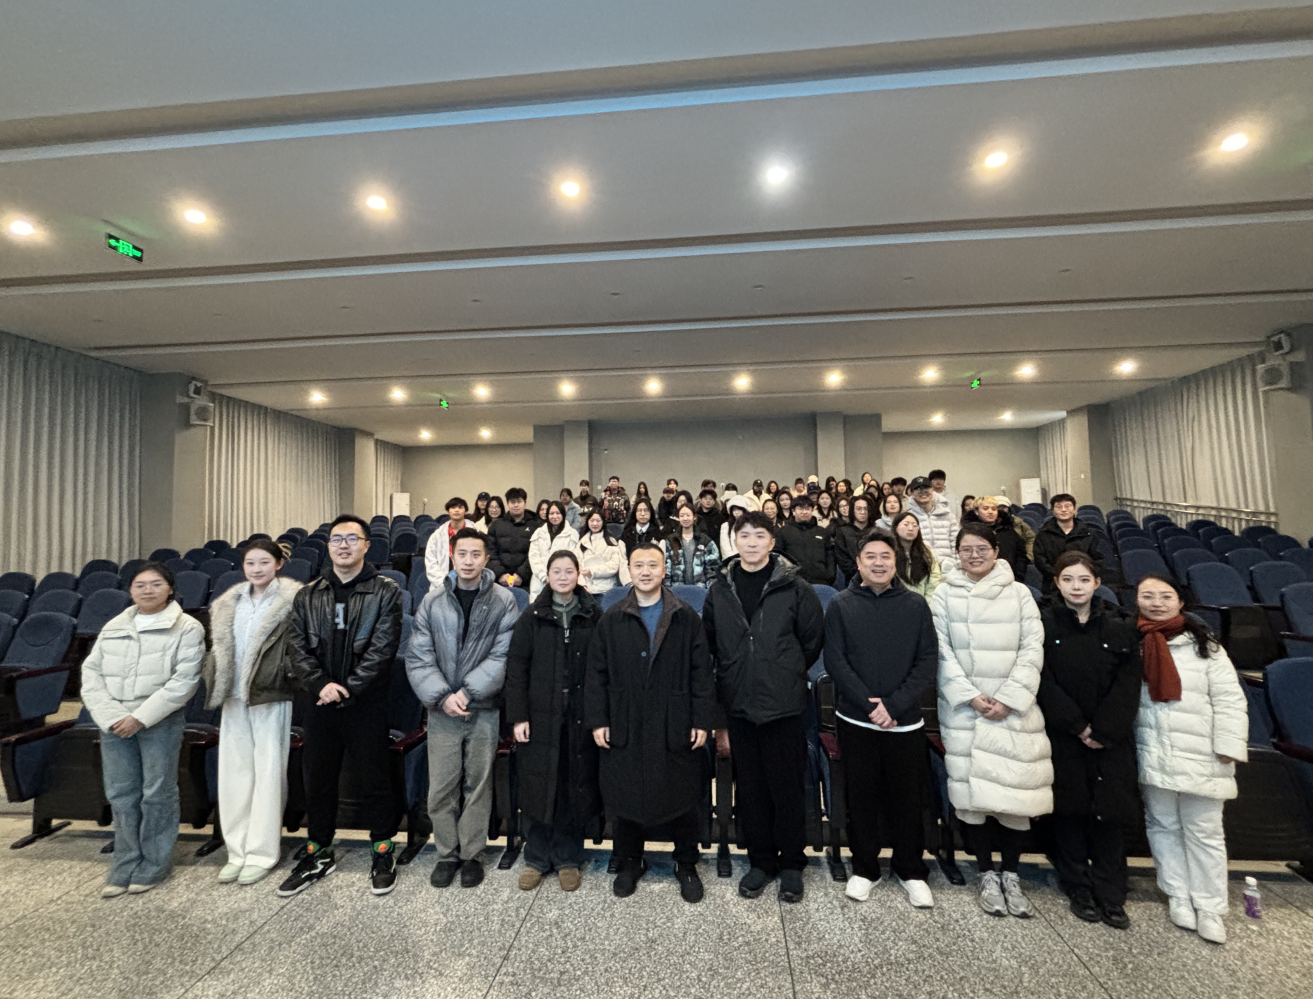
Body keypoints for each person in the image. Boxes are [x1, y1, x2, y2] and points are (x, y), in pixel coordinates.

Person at [281, 514, 405, 897]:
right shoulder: (308, 594)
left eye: (352, 538)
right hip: (318, 700)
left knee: (374, 779)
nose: (344, 545)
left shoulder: (386, 591)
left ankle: (382, 850)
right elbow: (296, 646)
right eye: (337, 539)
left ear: (367, 545)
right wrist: (322, 685)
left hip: (366, 701)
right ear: (329, 546)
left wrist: (347, 688)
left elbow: (382, 649)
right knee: (318, 780)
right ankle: (319, 851)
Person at [931, 523, 1051, 918]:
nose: (974, 555)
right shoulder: (944, 594)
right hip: (967, 707)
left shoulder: (1019, 593)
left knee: (1015, 795)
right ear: (957, 553)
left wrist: (1010, 698)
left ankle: (1011, 874)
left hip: (1013, 707)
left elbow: (1033, 648)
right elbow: (940, 650)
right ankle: (985, 872)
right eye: (966, 549)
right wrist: (970, 695)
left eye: (982, 548)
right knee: (972, 799)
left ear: (996, 551)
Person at [703, 511, 823, 902]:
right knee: (751, 789)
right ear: (734, 541)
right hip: (738, 703)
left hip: (783, 704)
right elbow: (711, 646)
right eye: (745, 535)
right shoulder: (720, 589)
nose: (752, 542)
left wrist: (783, 671)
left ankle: (791, 865)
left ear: (772, 542)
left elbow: (811, 641)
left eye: (759, 535)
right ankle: (761, 862)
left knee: (787, 788)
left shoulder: (796, 587)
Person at [585, 543, 714, 903]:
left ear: (664, 570)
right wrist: (598, 720)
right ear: (629, 570)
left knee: (682, 791)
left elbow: (702, 673)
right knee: (626, 790)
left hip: (675, 717)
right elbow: (596, 673)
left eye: (652, 565)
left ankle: (686, 863)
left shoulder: (685, 616)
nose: (645, 571)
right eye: (639, 565)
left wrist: (702, 718)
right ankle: (630, 861)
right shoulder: (612, 617)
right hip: (625, 717)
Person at [824, 529, 938, 907]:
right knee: (861, 798)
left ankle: (910, 869)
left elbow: (926, 661)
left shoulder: (915, 605)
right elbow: (835, 660)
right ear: (858, 563)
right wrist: (870, 705)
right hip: (857, 720)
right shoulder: (840, 604)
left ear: (896, 562)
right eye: (870, 556)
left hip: (904, 722)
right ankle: (865, 868)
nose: (878, 562)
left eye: (885, 556)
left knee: (907, 799)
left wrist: (894, 705)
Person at [1134, 573, 1248, 945]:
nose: (1156, 603)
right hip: (1153, 745)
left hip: (1202, 750)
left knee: (1205, 831)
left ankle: (1211, 906)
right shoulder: (1133, 642)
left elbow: (1230, 699)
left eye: (1165, 596)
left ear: (1180, 601)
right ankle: (1177, 894)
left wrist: (1229, 743)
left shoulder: (1204, 644)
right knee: (1163, 824)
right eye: (1148, 596)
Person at [81, 562, 205, 897]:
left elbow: (184, 681)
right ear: (130, 590)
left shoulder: (187, 627)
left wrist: (140, 717)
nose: (147, 590)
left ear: (170, 589)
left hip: (158, 720)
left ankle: (155, 863)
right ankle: (124, 863)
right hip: (114, 721)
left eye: (155, 584)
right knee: (121, 794)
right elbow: (91, 674)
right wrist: (111, 716)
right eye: (140, 585)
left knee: (157, 793)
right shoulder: (114, 626)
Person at [407, 528, 520, 889]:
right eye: (462, 554)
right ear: (452, 556)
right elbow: (419, 655)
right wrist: (443, 696)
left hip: (483, 707)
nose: (468, 561)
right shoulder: (432, 601)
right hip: (442, 709)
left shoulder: (504, 600)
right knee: (441, 785)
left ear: (486, 559)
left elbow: (503, 655)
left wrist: (468, 692)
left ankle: (472, 854)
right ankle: (446, 854)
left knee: (477, 784)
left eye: (476, 555)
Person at [1037, 552, 1141, 929]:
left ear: (1097, 583)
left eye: (1083, 579)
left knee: (1108, 813)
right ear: (1057, 583)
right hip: (1065, 731)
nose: (1076, 587)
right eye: (1068, 579)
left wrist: (1103, 730)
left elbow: (1128, 682)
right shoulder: (1044, 621)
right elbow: (1042, 678)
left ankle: (1111, 893)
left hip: (1109, 735)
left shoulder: (1120, 623)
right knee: (1070, 809)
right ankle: (1077, 886)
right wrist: (1077, 725)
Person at [504, 549, 605, 891]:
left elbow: (602, 669)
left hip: (578, 716)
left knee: (571, 785)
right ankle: (536, 857)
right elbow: (516, 669)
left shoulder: (593, 615)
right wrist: (518, 716)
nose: (563, 577)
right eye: (556, 571)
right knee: (537, 785)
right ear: (547, 576)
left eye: (569, 571)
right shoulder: (532, 616)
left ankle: (567, 857)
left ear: (579, 574)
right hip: (538, 716)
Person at [203, 540, 301, 886]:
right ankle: (237, 851)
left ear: (278, 564)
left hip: (270, 694)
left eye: (264, 562)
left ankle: (261, 852)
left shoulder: (293, 600)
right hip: (233, 696)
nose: (257, 569)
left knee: (269, 773)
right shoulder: (229, 602)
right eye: (250, 563)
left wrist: (284, 673)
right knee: (235, 773)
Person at [1034, 493, 1103, 592]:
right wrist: (1059, 575)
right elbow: (1040, 560)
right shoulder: (1044, 534)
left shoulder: (1088, 533)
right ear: (1053, 511)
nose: (1063, 510)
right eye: (1058, 507)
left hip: (1083, 582)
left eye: (1067, 506)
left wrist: (1083, 574)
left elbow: (1098, 559)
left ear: (1074, 510)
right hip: (1053, 583)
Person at [965, 496, 1030, 584]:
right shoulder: (969, 533)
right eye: (985, 509)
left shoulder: (1008, 531)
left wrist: (1018, 576)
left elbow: (1021, 555)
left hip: (1010, 578)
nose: (990, 512)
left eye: (994, 509)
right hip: (979, 580)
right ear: (977, 511)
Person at [775, 493, 836, 587]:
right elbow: (778, 558)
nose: (804, 512)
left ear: (812, 511)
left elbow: (830, 556)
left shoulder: (822, 532)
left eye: (807, 509)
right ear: (793, 511)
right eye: (800, 509)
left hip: (821, 581)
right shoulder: (783, 532)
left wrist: (829, 575)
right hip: (792, 583)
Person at [488, 486, 540, 591]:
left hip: (528, 582)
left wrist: (521, 575)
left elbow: (537, 553)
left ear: (525, 503)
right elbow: (490, 552)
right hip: (500, 582)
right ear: (507, 504)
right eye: (512, 502)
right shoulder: (496, 525)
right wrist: (501, 574)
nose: (516, 505)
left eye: (519, 501)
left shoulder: (537, 525)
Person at [528, 501, 580, 600]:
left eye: (558, 513)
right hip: (539, 582)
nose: (554, 516)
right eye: (551, 513)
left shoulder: (572, 534)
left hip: (562, 581)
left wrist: (555, 577)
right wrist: (544, 577)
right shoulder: (539, 532)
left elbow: (572, 560)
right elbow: (533, 557)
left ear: (563, 514)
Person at [666, 503, 721, 588]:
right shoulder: (671, 540)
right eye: (682, 516)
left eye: (688, 515)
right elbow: (666, 568)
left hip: (701, 589)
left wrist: (711, 590)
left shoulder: (705, 541)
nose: (685, 518)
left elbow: (713, 568)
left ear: (694, 517)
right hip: (676, 589)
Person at [907, 475, 958, 567]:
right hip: (920, 567)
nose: (923, 491)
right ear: (912, 493)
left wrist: (957, 563)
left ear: (932, 490)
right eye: (918, 488)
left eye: (926, 487)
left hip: (948, 566)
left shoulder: (948, 515)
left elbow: (956, 542)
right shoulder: (908, 517)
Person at [890, 510, 942, 598]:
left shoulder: (925, 552)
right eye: (906, 524)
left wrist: (926, 602)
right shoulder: (889, 552)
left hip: (923, 601)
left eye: (915, 525)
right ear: (896, 528)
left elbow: (934, 579)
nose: (911, 528)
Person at [578, 509, 630, 594]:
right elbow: (577, 565)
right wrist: (582, 585)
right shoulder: (581, 543)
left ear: (603, 522)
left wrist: (592, 571)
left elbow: (614, 565)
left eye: (598, 521)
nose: (595, 524)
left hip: (606, 589)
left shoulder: (611, 542)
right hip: (586, 588)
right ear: (587, 522)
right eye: (592, 520)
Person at [425, 496, 471, 587]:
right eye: (453, 507)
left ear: (466, 511)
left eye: (460, 507)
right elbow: (431, 563)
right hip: (441, 584)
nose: (456, 510)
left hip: (469, 583)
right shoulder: (437, 536)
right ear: (448, 511)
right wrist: (443, 583)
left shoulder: (476, 533)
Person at [835, 494, 874, 584]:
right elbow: (843, 560)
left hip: (876, 578)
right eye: (859, 509)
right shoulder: (843, 532)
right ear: (852, 511)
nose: (863, 512)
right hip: (852, 580)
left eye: (866, 509)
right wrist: (863, 573)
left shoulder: (876, 532)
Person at [997, 496, 1036, 561]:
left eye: (1004, 507)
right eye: (998, 507)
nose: (1001, 509)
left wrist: (1028, 556)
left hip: (1018, 558)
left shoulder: (1018, 523)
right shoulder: (990, 524)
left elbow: (1031, 538)